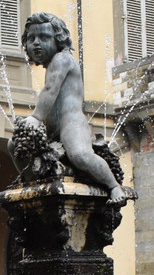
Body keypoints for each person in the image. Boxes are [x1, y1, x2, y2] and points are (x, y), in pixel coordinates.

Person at [16, 12, 129, 205]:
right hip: (52, 128)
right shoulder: (52, 63)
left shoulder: (62, 59)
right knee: (15, 146)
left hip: (72, 123)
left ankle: (113, 186)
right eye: (31, 38)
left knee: (80, 155)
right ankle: (30, 181)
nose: (36, 43)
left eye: (44, 37)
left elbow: (50, 89)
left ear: (59, 39)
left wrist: (35, 118)